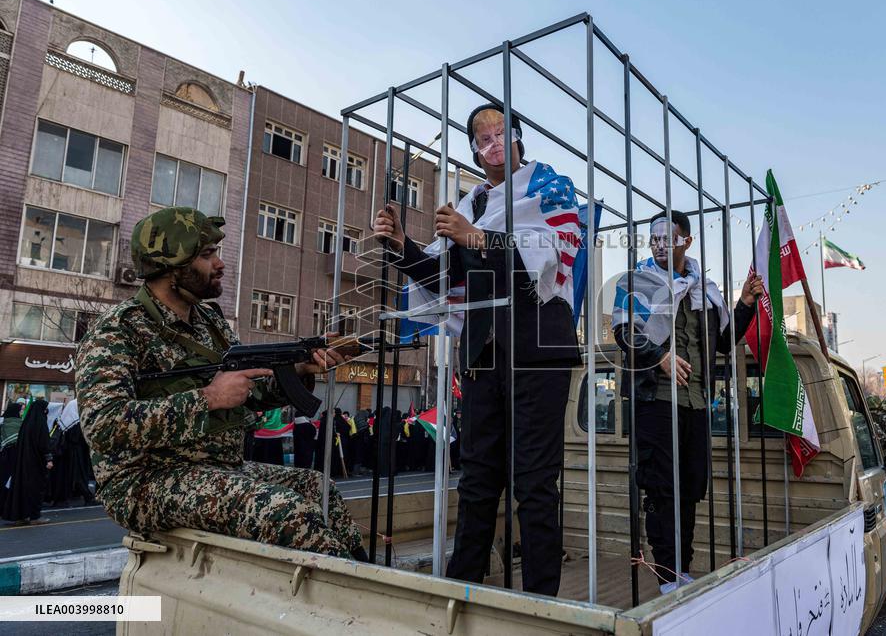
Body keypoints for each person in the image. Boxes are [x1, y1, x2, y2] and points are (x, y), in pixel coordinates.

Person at [374, 104, 582, 596]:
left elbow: (551, 255)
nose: (491, 142)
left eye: (499, 132)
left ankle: (539, 607)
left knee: (533, 485)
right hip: (482, 354)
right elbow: (444, 280)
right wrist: (403, 245)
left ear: (517, 136)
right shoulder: (468, 206)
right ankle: (462, 597)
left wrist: (480, 238)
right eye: (480, 136)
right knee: (476, 481)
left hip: (537, 347)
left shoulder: (548, 185)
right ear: (472, 147)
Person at [75, 207, 365, 560]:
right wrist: (209, 398)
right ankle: (350, 599)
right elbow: (103, 425)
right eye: (207, 255)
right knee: (284, 510)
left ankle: (365, 578)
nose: (220, 264)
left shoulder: (209, 322)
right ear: (174, 265)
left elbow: (250, 394)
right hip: (145, 480)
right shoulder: (118, 329)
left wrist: (302, 369)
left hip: (221, 468)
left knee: (320, 489)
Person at [612, 210, 763, 592]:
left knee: (691, 486)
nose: (660, 245)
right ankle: (667, 573)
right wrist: (658, 357)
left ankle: (682, 567)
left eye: (669, 238)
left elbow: (726, 340)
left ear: (687, 242)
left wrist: (744, 302)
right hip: (656, 399)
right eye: (654, 238)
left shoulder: (705, 291)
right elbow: (623, 331)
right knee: (662, 488)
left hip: (696, 401)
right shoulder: (636, 281)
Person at [1, 400, 53, 525]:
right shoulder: (40, 423)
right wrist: (49, 459)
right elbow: (44, 444)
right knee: (36, 488)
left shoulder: (26, 423)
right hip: (36, 463)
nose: (46, 411)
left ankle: (21, 516)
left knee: (21, 488)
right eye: (45, 408)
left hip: (22, 463)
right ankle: (35, 516)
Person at [48, 399, 97, 507]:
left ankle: (77, 495)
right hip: (75, 451)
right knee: (79, 474)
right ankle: (87, 496)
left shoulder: (69, 417)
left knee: (72, 475)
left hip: (73, 450)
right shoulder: (74, 420)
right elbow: (77, 436)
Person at [0, 403, 24, 513]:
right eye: (20, 411)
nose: (22, 413)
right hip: (12, 456)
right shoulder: (19, 424)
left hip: (3, 456)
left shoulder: (3, 422)